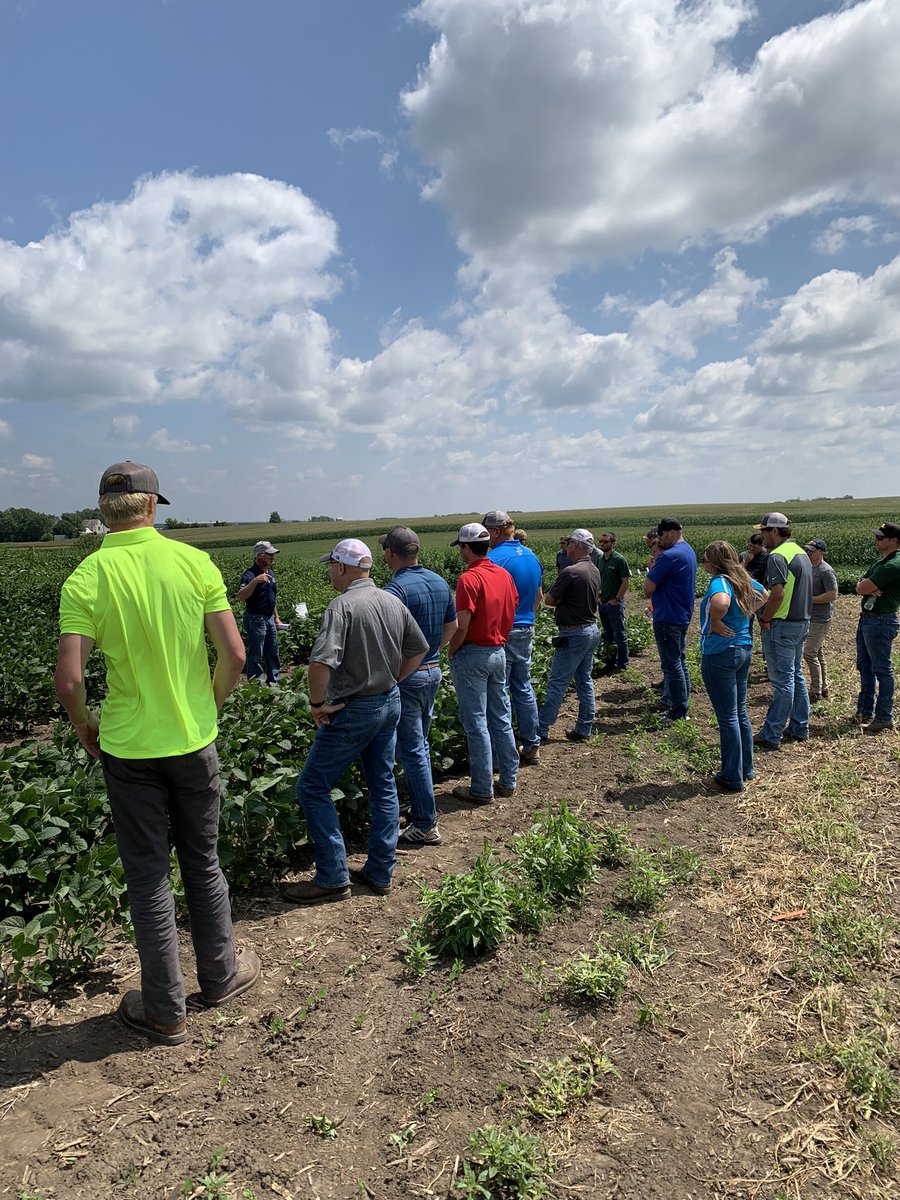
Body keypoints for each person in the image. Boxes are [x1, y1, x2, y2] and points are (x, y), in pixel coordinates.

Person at [54, 462, 256, 1046]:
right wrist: (209, 705)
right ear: (151, 507)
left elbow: (70, 681)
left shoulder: (87, 577)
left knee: (147, 877)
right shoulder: (193, 562)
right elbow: (236, 655)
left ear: (104, 511)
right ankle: (219, 977)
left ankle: (164, 1008)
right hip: (193, 741)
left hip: (128, 748)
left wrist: (86, 726)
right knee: (203, 860)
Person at [281, 539, 429, 904]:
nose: (330, 572)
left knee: (312, 787)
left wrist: (317, 703)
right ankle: (380, 870)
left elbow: (319, 664)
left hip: (355, 707)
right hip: (388, 701)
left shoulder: (342, 606)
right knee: (383, 783)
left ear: (343, 567)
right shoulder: (391, 600)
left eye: (331, 566)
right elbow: (419, 648)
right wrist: (395, 679)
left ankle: (332, 877)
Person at [380, 526, 457, 846]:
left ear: (391, 554)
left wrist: (400, 670)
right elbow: (452, 625)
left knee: (412, 751)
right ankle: (421, 808)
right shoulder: (438, 581)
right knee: (419, 746)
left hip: (408, 677)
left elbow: (386, 640)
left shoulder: (395, 590)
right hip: (433, 671)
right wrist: (431, 653)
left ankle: (425, 823)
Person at [447, 523, 520, 804]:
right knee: (500, 717)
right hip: (498, 650)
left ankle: (481, 788)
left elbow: (462, 625)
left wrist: (453, 649)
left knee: (476, 722)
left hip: (473, 654)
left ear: (466, 548)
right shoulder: (503, 575)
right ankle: (509, 780)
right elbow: (512, 608)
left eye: (461, 547)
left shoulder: (468, 579)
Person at [698, 542, 767, 792]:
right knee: (739, 712)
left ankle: (730, 778)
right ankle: (745, 769)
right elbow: (765, 595)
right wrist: (748, 612)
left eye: (704, 557)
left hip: (720, 652)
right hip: (744, 649)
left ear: (714, 561)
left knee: (727, 717)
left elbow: (720, 602)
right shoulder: (742, 578)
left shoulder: (720, 582)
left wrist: (716, 622)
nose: (702, 561)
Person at [484, 510, 544, 766]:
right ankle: (532, 745)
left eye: (486, 532)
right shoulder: (531, 556)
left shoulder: (494, 559)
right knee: (523, 687)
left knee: (500, 694)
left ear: (495, 532)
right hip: (526, 627)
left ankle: (500, 756)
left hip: (504, 631)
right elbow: (539, 598)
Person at [753, 513, 813, 750]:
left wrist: (766, 618)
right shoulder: (800, 552)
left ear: (776, 531)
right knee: (795, 674)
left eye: (765, 531)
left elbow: (777, 594)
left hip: (781, 624)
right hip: (801, 622)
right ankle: (799, 726)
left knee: (782, 680)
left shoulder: (777, 556)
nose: (762, 536)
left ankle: (772, 732)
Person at [538, 529, 601, 743]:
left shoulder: (570, 571)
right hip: (591, 629)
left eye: (569, 543)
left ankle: (542, 728)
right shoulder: (593, 569)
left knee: (557, 682)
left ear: (575, 545)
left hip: (573, 632)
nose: (566, 547)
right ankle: (584, 727)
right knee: (584, 680)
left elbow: (549, 599)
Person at [643, 518, 697, 726]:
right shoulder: (688, 550)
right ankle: (681, 704)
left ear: (672, 532)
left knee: (672, 665)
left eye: (662, 535)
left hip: (667, 616)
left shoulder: (669, 556)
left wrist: (652, 572)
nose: (660, 539)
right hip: (681, 614)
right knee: (680, 662)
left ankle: (678, 710)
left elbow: (648, 588)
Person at [854, 522, 900, 733]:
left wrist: (866, 586)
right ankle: (864, 711)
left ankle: (884, 716)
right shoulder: (880, 562)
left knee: (882, 670)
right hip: (869, 619)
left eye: (881, 537)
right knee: (865, 666)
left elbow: (863, 586)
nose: (876, 539)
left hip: (881, 621)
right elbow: (860, 586)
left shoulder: (894, 564)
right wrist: (866, 586)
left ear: (894, 541)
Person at [237, 540, 283, 685]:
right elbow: (241, 596)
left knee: (272, 651)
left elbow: (272, 598)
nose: (272, 557)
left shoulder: (271, 573)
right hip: (255, 618)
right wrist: (255, 582)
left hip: (269, 618)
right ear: (260, 556)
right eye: (269, 555)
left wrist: (276, 617)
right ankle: (254, 684)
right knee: (256, 653)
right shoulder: (250, 575)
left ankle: (274, 682)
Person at [802, 539, 838, 702]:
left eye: (812, 551)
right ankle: (824, 688)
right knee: (817, 653)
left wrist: (810, 599)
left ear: (821, 552)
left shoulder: (825, 571)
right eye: (807, 550)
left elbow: (832, 595)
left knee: (808, 652)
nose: (808, 553)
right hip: (810, 616)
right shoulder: (809, 568)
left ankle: (815, 690)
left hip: (821, 618)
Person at [596, 532, 632, 674]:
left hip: (614, 604)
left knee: (619, 634)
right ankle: (610, 661)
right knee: (608, 634)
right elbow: (600, 579)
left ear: (613, 543)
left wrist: (617, 599)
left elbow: (625, 581)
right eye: (601, 541)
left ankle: (622, 663)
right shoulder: (600, 559)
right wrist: (598, 595)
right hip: (603, 603)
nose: (603, 543)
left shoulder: (619, 560)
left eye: (606, 541)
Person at [740, 533, 770, 641]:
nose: (752, 549)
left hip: (762, 594)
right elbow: (736, 573)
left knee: (764, 623)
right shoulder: (744, 555)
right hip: (747, 594)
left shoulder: (766, 557)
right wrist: (746, 562)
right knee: (747, 623)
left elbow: (760, 576)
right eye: (750, 546)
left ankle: (766, 652)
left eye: (755, 547)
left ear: (761, 546)